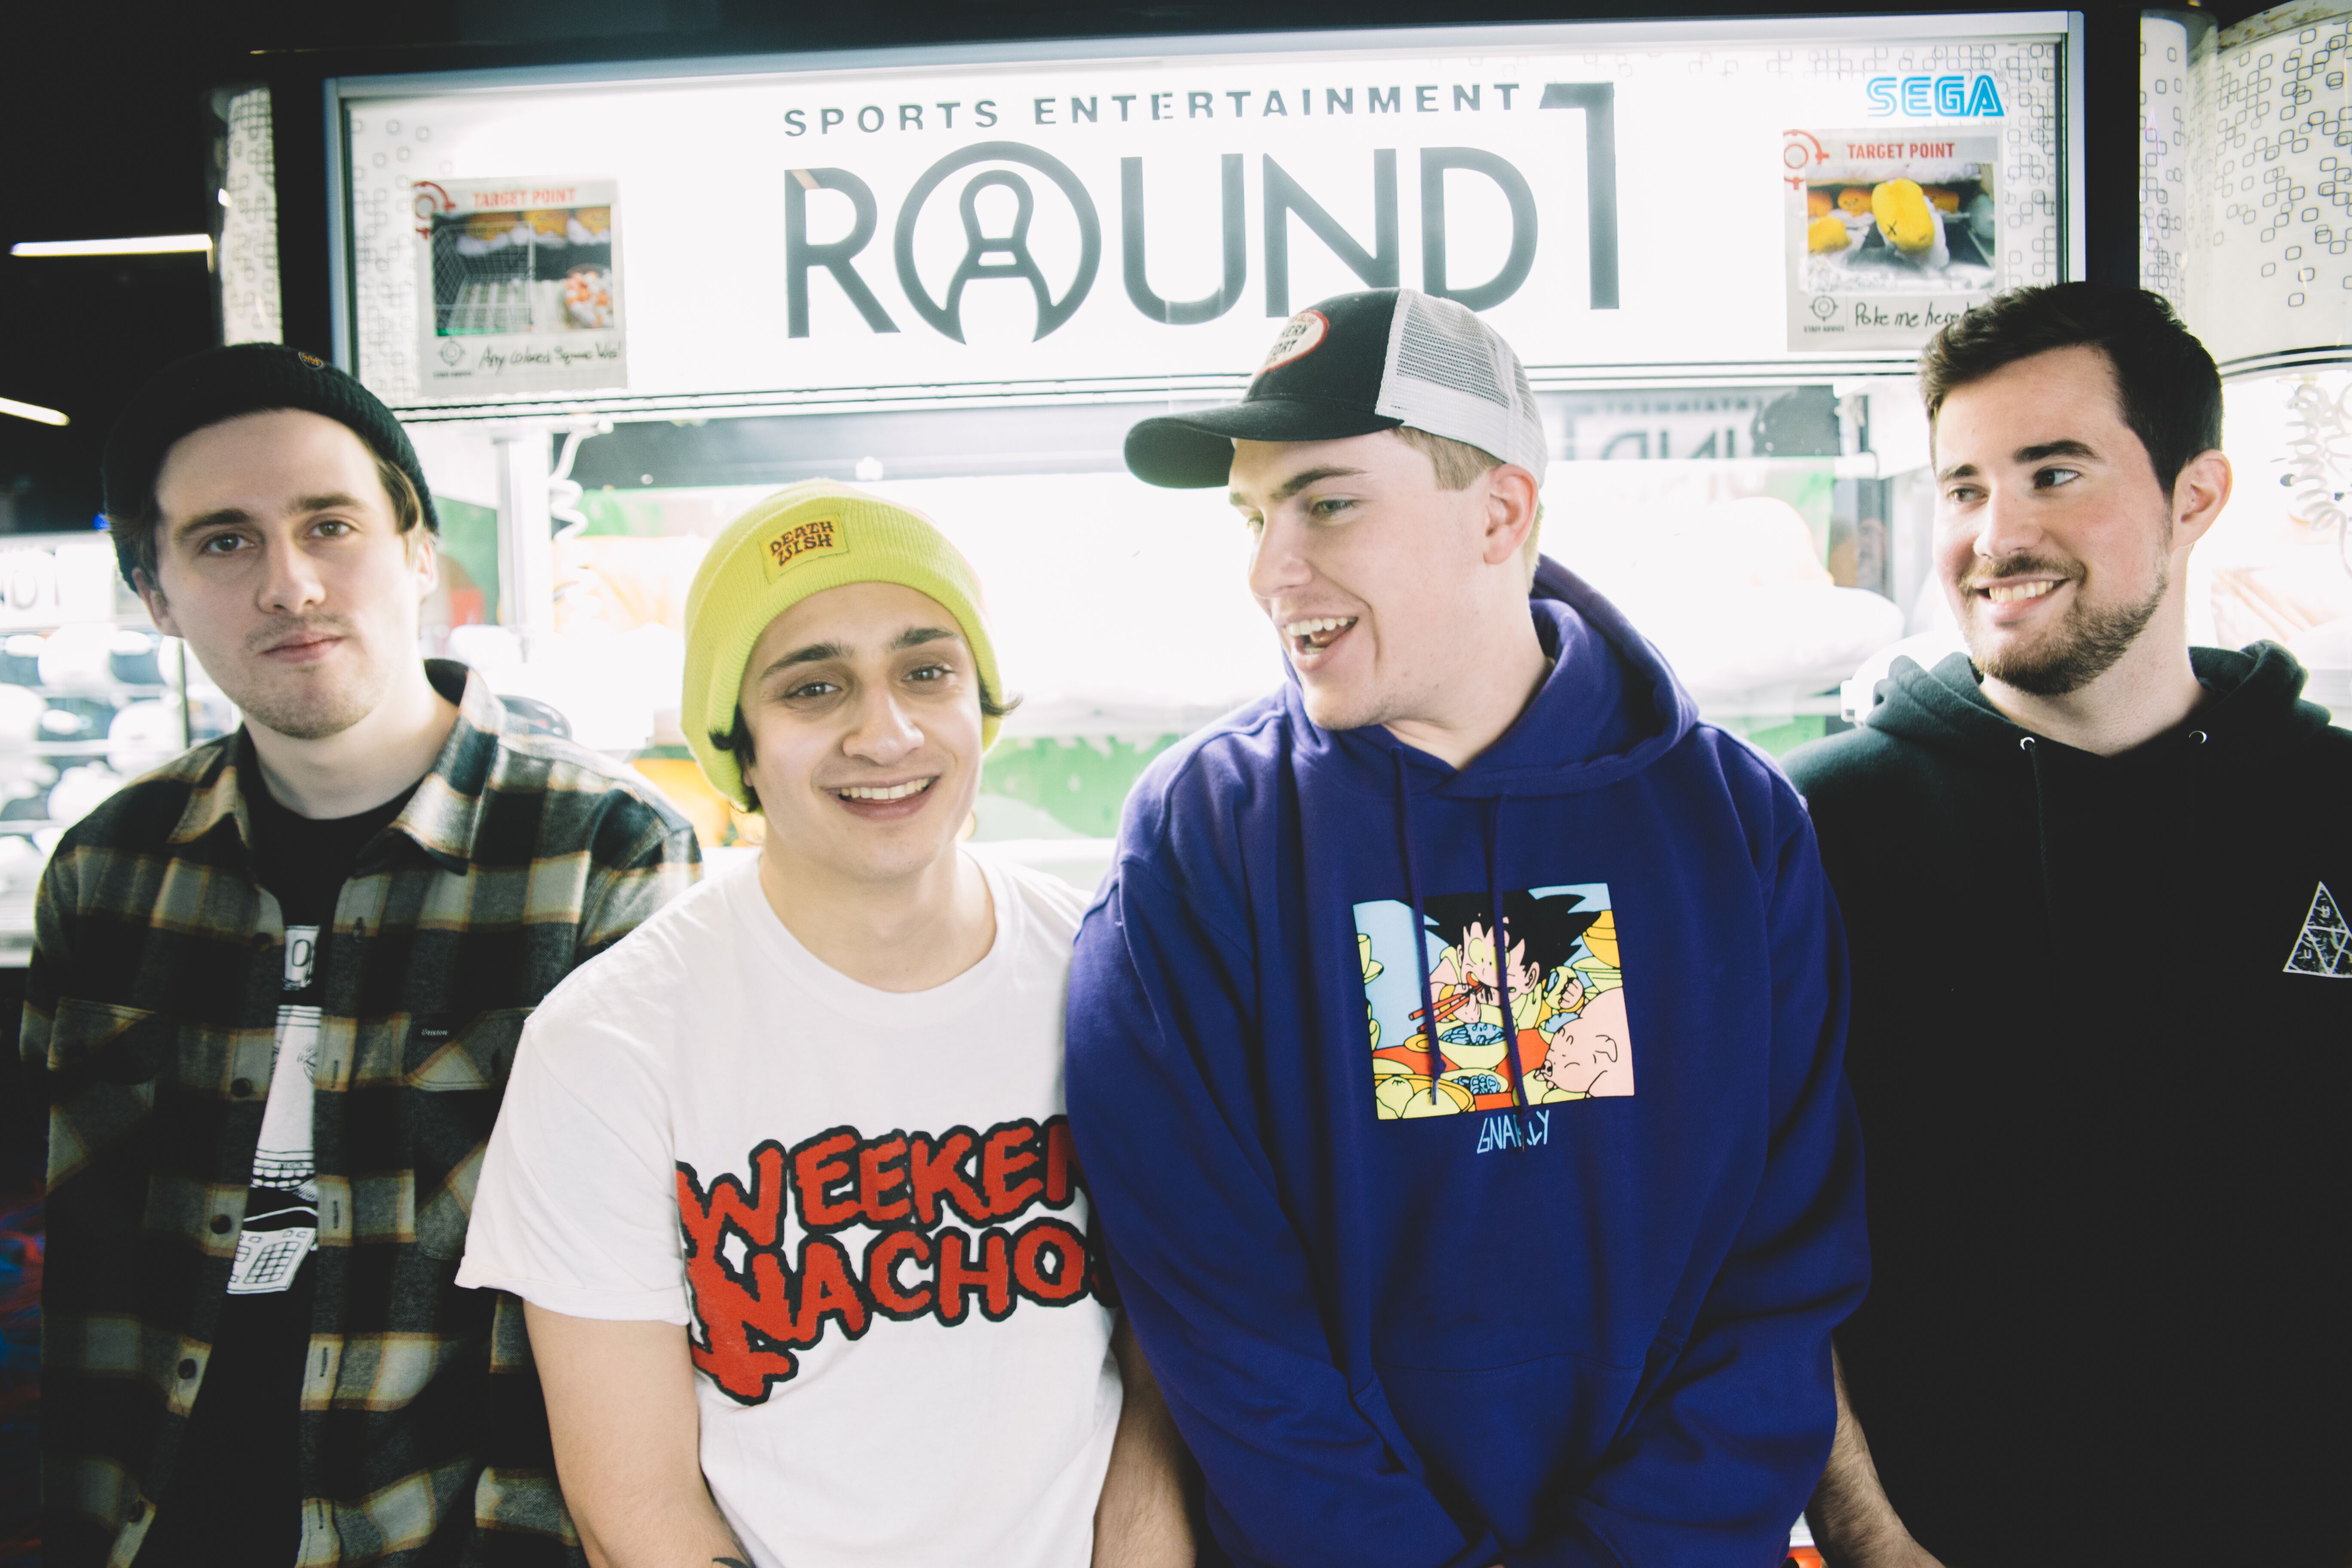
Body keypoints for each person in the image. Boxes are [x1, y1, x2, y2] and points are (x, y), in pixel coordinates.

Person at [1065, 287, 1870, 1567]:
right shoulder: (1201, 834)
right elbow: (1218, 1310)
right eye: (1254, 516)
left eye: (1328, 503)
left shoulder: (1735, 821)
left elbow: (1786, 1270)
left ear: (1500, 513)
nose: (1271, 570)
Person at [26, 343, 701, 1567]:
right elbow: (82, 1265)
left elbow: (643, 1277)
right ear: (156, 596)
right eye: (224, 542)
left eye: (329, 526)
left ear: (418, 553)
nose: (289, 584)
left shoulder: (601, 852)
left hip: (447, 1534)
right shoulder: (110, 869)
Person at [456, 482, 1192, 1568]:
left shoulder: (1112, 979)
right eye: (814, 688)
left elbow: (1161, 1380)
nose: (885, 732)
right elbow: (636, 1505)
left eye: (927, 672)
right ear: (739, 745)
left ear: (981, 706)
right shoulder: (607, 1046)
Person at [1787, 283, 2352, 1568]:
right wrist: (1871, 1537)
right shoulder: (1813, 834)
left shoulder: (2333, 805)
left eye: (2054, 473)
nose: (1997, 536)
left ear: (2195, 496)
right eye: (1965, 487)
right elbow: (1762, 1240)